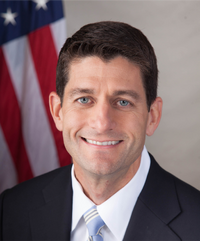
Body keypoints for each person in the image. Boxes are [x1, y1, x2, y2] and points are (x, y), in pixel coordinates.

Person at [0, 21, 200, 241]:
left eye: (123, 102)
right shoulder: (10, 212)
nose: (102, 123)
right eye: (84, 99)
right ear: (58, 112)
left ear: (152, 116)